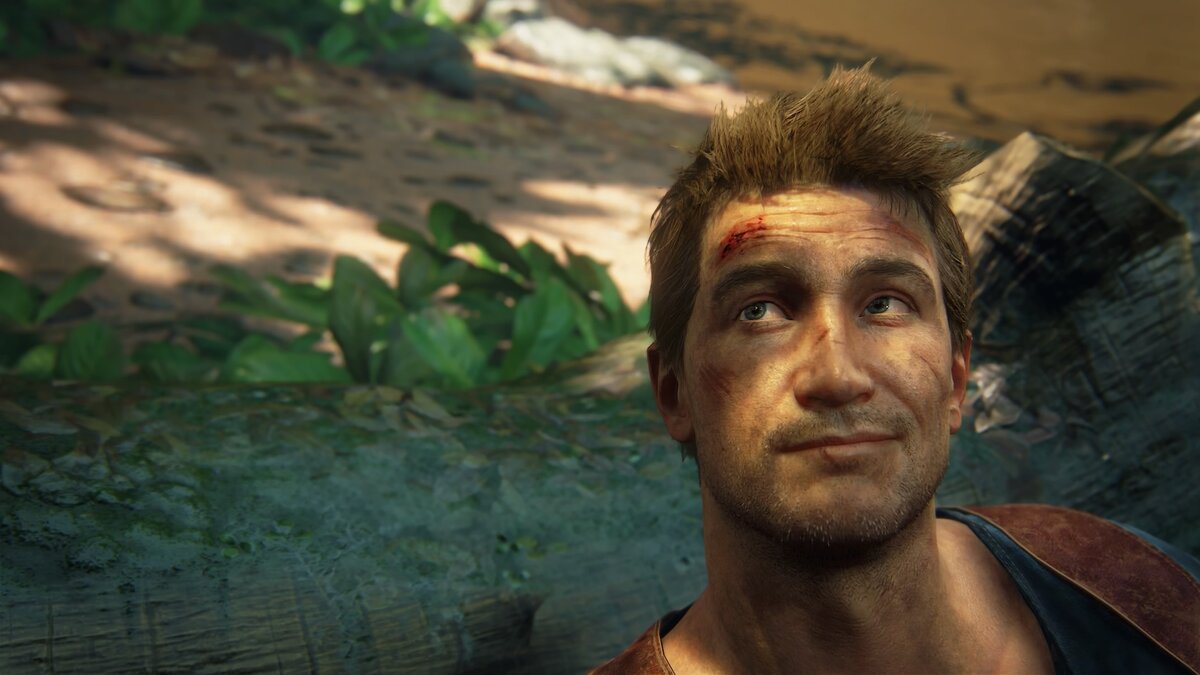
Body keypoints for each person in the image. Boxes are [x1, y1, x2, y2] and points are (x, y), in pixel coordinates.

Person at [589, 64, 1200, 674]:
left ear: (956, 377)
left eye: (885, 304)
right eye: (760, 311)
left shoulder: (1137, 587)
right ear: (673, 392)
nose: (838, 376)